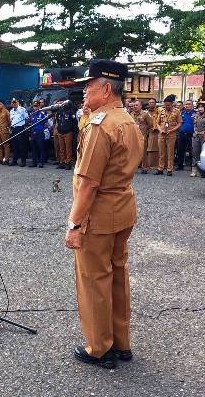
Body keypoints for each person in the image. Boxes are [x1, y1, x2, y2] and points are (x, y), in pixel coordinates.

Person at [65, 60, 143, 369]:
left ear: (106, 88)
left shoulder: (100, 126)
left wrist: (74, 223)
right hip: (122, 209)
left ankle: (99, 347)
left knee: (94, 280)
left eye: (89, 85)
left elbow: (88, 183)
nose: (84, 91)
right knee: (117, 275)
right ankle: (121, 343)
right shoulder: (125, 120)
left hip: (97, 216)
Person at [156, 95, 181, 176]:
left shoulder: (176, 112)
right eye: (165, 105)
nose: (167, 106)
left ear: (172, 104)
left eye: (168, 105)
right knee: (161, 152)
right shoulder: (161, 111)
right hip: (162, 134)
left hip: (171, 134)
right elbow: (157, 123)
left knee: (170, 152)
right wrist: (160, 130)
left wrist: (172, 130)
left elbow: (179, 123)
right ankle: (160, 168)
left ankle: (170, 169)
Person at [129, 100, 153, 174]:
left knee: (143, 152)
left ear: (140, 106)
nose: (134, 107)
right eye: (134, 105)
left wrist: (145, 129)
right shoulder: (131, 114)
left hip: (142, 136)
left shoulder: (145, 114)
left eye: (136, 105)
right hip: (133, 136)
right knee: (133, 152)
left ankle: (144, 167)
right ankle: (133, 167)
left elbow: (151, 124)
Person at [54, 101, 77, 170]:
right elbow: (58, 120)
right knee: (61, 148)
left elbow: (74, 122)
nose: (63, 105)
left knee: (68, 149)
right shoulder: (59, 112)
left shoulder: (71, 112)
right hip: (60, 132)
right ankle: (62, 162)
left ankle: (68, 162)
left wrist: (73, 131)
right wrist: (58, 129)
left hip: (68, 132)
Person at [175, 99, 195, 171]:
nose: (187, 105)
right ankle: (180, 166)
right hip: (182, 134)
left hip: (191, 135)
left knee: (192, 151)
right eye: (186, 104)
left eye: (189, 104)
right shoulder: (181, 113)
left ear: (192, 105)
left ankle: (191, 166)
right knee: (180, 151)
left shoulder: (195, 114)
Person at [9, 98, 29, 167]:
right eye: (12, 102)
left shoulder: (22, 109)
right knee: (14, 145)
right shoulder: (11, 111)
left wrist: (23, 127)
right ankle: (15, 160)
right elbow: (11, 120)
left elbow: (27, 119)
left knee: (22, 145)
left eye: (15, 102)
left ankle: (23, 161)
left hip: (20, 128)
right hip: (14, 129)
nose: (14, 104)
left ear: (18, 102)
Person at [28, 102, 49, 168]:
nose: (35, 107)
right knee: (34, 148)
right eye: (34, 106)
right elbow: (30, 123)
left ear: (39, 106)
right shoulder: (32, 114)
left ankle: (41, 162)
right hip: (33, 133)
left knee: (41, 148)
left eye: (37, 106)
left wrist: (40, 129)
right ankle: (34, 162)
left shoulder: (42, 114)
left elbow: (46, 124)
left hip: (40, 133)